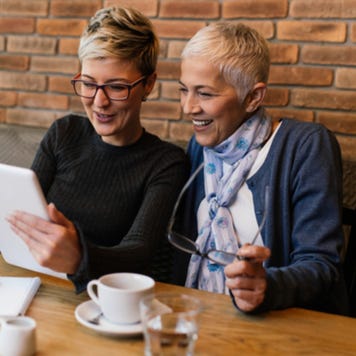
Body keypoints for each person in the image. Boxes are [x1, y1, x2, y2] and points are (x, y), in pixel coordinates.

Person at [171, 22, 349, 315]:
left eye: (205, 94)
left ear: (253, 97)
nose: (188, 107)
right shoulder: (199, 146)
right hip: (201, 318)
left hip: (281, 326)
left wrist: (269, 284)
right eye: (183, 90)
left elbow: (322, 266)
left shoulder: (306, 146)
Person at [6, 6, 188, 292]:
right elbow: (22, 214)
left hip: (104, 303)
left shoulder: (166, 162)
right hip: (36, 286)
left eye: (116, 87)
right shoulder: (63, 133)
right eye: (89, 84)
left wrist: (78, 256)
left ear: (149, 84)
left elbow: (139, 253)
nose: (99, 102)